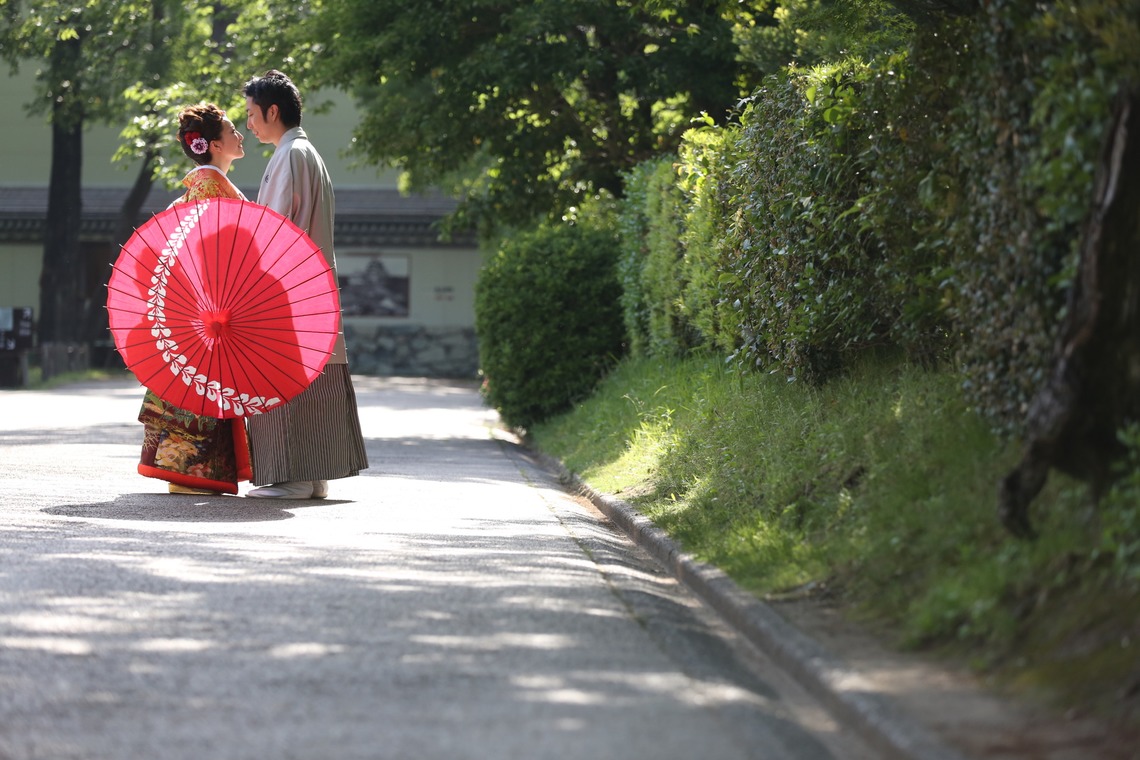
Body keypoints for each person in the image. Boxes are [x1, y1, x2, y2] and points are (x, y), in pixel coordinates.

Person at [241, 70, 369, 499]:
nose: (248, 123)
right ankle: (312, 476)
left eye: (252, 114)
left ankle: (291, 478)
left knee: (281, 377)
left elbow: (276, 230)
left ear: (272, 112)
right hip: (310, 289)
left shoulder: (290, 155)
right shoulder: (305, 152)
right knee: (310, 378)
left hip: (286, 290)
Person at [136, 103, 253, 495]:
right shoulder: (210, 188)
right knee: (202, 387)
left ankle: (197, 473)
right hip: (207, 303)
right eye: (233, 131)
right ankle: (192, 474)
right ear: (215, 145)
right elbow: (209, 253)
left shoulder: (208, 186)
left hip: (200, 303)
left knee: (198, 385)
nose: (240, 135)